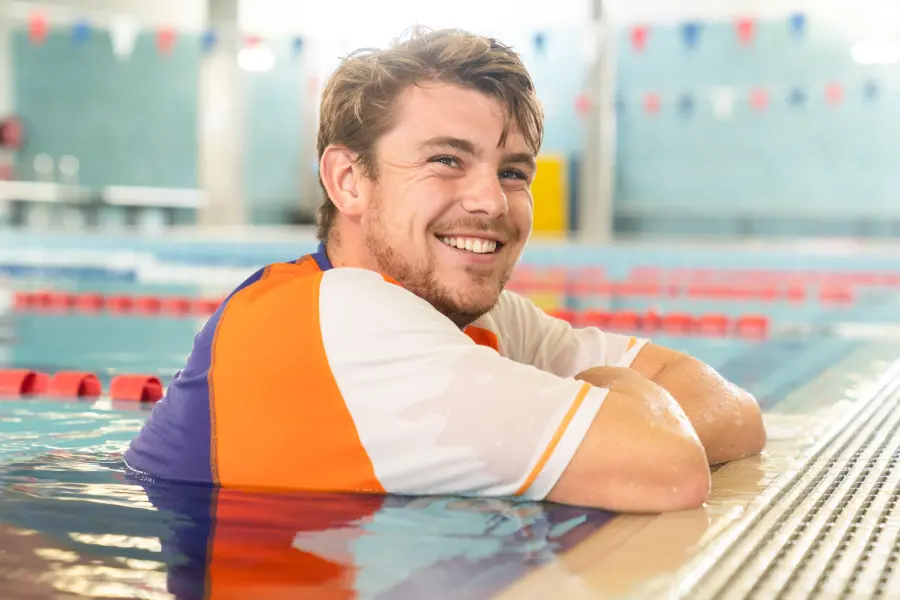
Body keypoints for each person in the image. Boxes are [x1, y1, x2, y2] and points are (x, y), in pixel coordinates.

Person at [125, 27, 765, 514]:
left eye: (512, 171)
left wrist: (613, 410)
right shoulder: (338, 317)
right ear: (349, 180)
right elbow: (667, 466)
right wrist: (604, 388)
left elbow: (736, 412)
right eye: (446, 161)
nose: (491, 200)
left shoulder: (477, 315)